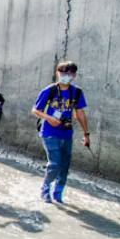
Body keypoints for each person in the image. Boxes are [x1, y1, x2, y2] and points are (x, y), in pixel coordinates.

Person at [31, 61, 90, 203]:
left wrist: (86, 134)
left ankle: (58, 193)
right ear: (57, 73)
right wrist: (49, 118)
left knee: (64, 165)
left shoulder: (76, 92)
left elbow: (80, 113)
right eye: (63, 73)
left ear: (74, 75)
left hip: (66, 133)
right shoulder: (49, 90)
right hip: (49, 132)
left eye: (69, 73)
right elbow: (35, 110)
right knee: (54, 163)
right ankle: (45, 190)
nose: (66, 76)